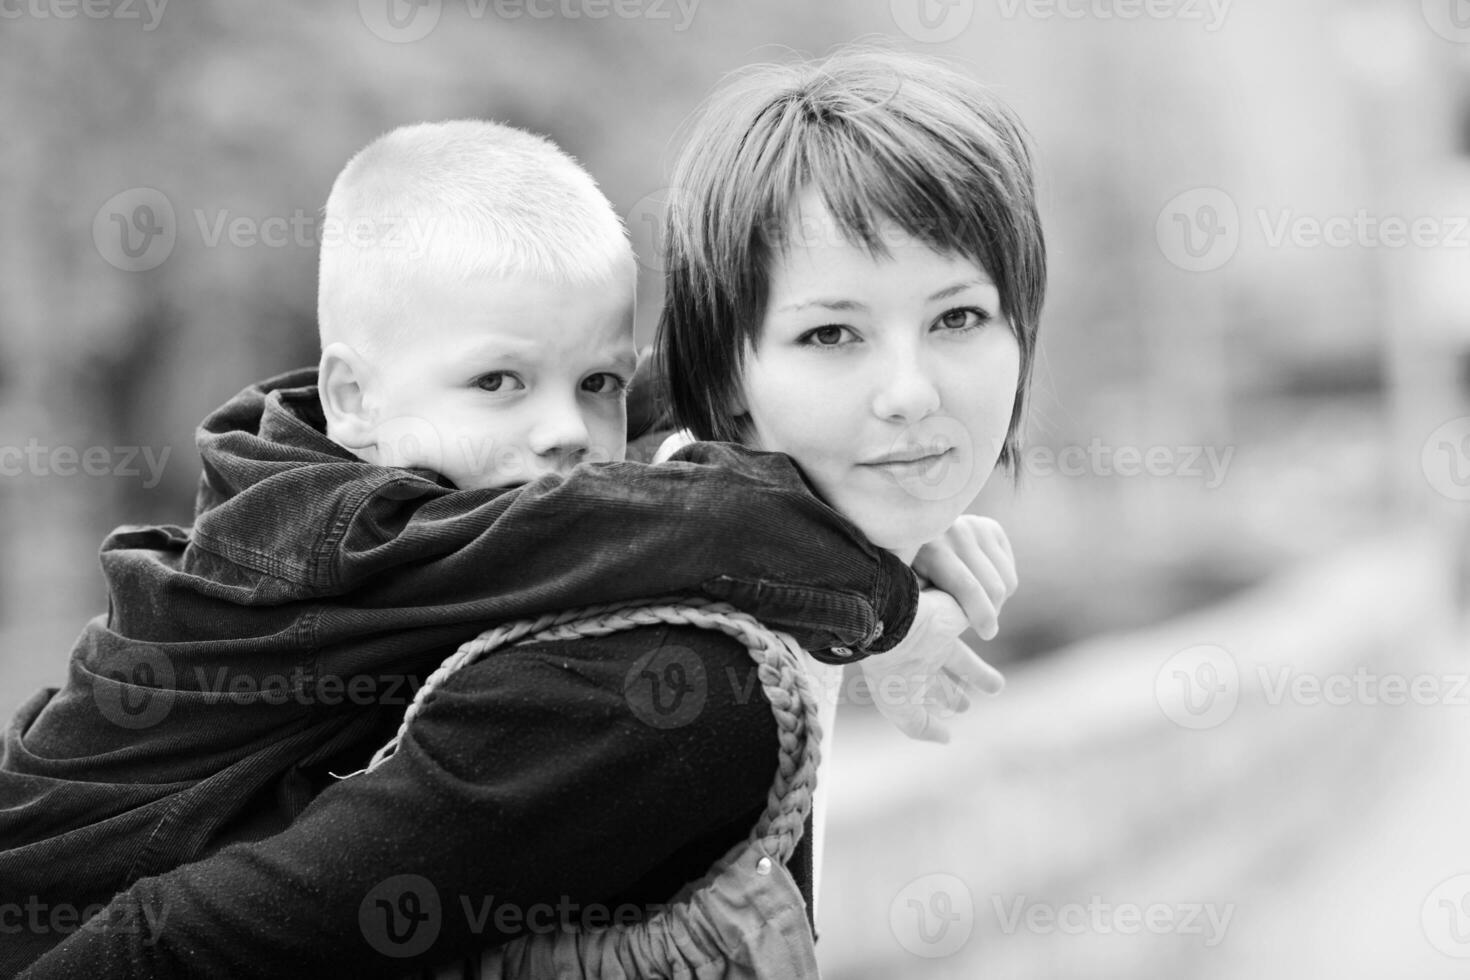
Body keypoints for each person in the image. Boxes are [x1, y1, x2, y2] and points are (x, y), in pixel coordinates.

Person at [15, 46, 1043, 977]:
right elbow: (175, 946)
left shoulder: (510, 478)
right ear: (353, 399)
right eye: (829, 334)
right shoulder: (634, 687)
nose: (908, 395)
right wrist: (881, 597)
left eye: (959, 315)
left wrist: (879, 534)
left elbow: (637, 446)